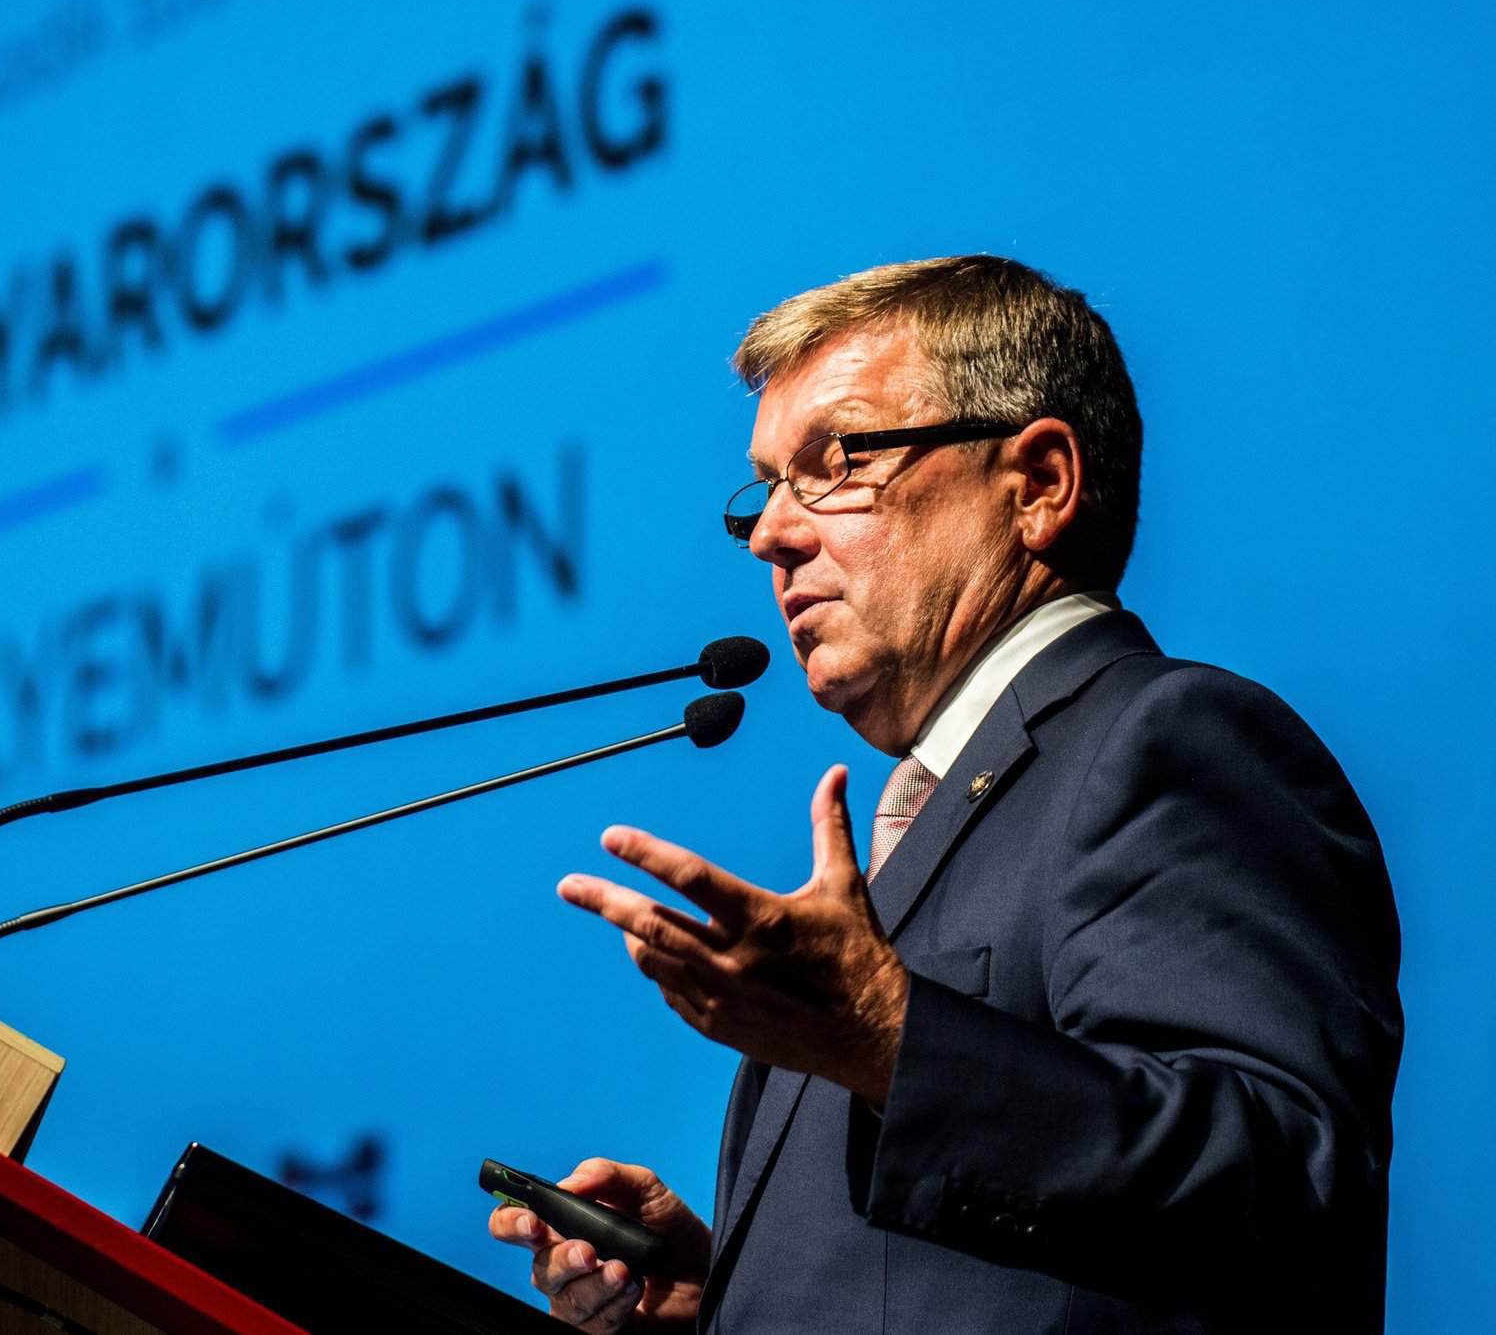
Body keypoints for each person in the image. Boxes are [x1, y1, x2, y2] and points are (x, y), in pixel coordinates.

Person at [487, 256, 1402, 1333]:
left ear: (1038, 484)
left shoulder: (1166, 739)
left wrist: (885, 1032)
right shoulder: (934, 814)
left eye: (834, 460)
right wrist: (720, 1296)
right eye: (767, 486)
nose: (772, 533)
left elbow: (1287, 1188)